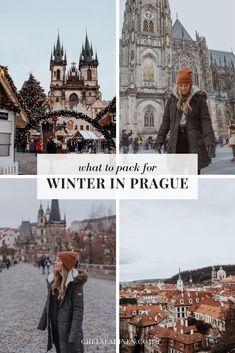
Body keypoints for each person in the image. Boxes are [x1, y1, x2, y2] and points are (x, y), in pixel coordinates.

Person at [156, 67, 216, 173]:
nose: (183, 88)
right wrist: (160, 138)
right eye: (181, 85)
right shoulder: (172, 100)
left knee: (193, 172)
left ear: (190, 85)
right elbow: (166, 121)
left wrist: (209, 139)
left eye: (186, 85)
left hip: (194, 139)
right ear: (178, 85)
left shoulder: (199, 99)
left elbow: (205, 120)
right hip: (176, 139)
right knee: (177, 172)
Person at [38, 251, 87, 353]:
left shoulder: (75, 284)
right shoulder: (53, 281)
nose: (55, 262)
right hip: (56, 329)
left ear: (65, 264)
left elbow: (78, 311)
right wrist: (43, 323)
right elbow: (48, 303)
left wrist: (74, 334)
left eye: (58, 260)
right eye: (55, 260)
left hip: (68, 331)